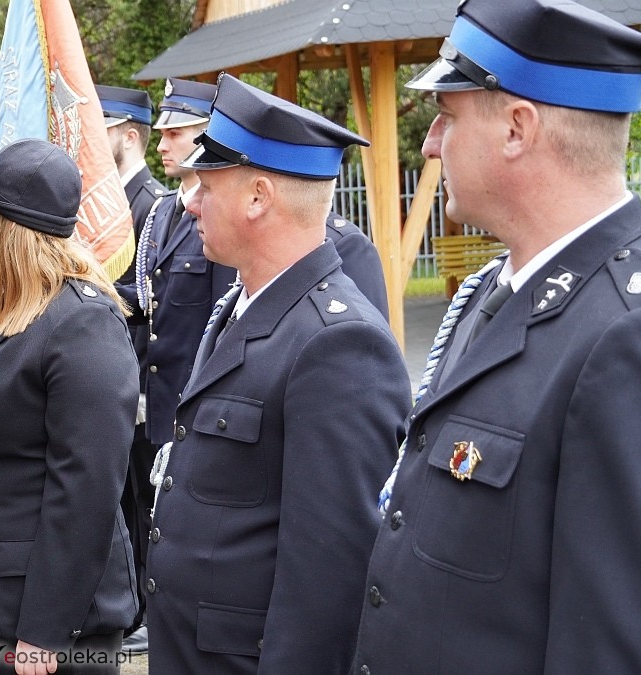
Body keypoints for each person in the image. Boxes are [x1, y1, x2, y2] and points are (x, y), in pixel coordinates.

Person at [355, 1, 641, 673]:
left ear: (518, 128)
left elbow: (607, 646)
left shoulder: (628, 337)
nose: (429, 144)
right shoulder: (494, 291)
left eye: (447, 116)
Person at [143, 75, 410, 674]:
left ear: (258, 197)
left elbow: (330, 579)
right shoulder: (246, 303)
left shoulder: (338, 343)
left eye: (205, 185)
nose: (188, 202)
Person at [0, 138, 139, 674]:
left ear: (6, 223)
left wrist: (45, 631)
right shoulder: (2, 307)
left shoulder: (83, 324)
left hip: (50, 616)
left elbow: (86, 490)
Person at [112, 77, 232, 656]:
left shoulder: (212, 221)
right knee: (146, 508)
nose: (163, 142)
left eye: (176, 132)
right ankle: (148, 612)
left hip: (191, 397)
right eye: (160, 132)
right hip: (156, 399)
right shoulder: (162, 215)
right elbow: (144, 302)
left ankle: (166, 617)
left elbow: (219, 319)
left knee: (181, 518)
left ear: (207, 135)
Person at [97, 84, 166, 278]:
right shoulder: (104, 196)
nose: (93, 141)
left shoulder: (154, 205)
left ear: (129, 138)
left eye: (102, 132)